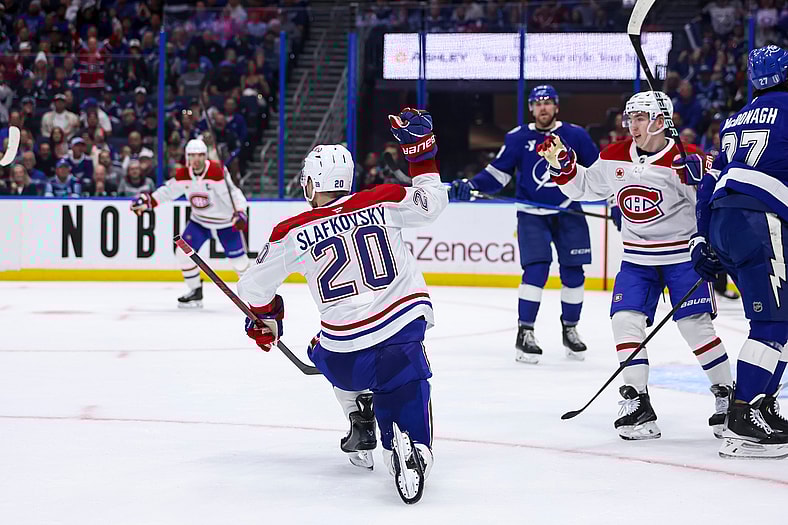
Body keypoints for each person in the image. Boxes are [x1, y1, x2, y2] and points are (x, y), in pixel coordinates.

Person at [237, 108, 446, 504]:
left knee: (320, 348)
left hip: (346, 352)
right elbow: (433, 202)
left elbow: (253, 286)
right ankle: (415, 450)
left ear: (312, 183)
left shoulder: (292, 230)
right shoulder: (383, 198)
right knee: (405, 383)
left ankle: (358, 414)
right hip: (402, 331)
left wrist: (267, 319)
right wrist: (421, 154)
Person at [537, 90, 733, 440]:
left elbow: (714, 206)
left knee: (694, 327)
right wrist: (564, 166)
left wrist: (703, 181)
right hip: (637, 260)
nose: (631, 125)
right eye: (630, 118)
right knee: (625, 321)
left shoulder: (686, 158)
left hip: (681, 258)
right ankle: (637, 401)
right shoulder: (614, 154)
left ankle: (726, 395)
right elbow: (583, 187)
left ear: (661, 122)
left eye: (640, 118)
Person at [449, 85, 600, 364]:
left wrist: (615, 201)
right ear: (531, 108)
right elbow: (498, 173)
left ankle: (570, 329)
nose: (543, 108)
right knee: (536, 270)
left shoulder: (576, 135)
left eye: (548, 102)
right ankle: (525, 333)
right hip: (531, 213)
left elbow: (599, 172)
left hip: (569, 211)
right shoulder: (518, 137)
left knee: (574, 274)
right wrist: (471, 186)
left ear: (556, 107)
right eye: (537, 103)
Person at [690, 45, 788, 459]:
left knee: (782, 320)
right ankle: (742, 418)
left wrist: (701, 238)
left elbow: (709, 182)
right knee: (771, 322)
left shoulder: (733, 120)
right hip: (759, 220)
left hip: (724, 220)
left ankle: (762, 405)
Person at [130, 138, 249, 308]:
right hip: (199, 221)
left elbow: (234, 193)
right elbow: (167, 192)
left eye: (200, 155)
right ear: (187, 157)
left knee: (240, 262)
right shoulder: (183, 175)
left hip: (225, 223)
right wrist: (148, 201)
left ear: (205, 156)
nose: (196, 159)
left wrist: (240, 212)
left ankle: (252, 294)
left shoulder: (217, 172)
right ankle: (195, 291)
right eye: (192, 156)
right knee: (182, 254)